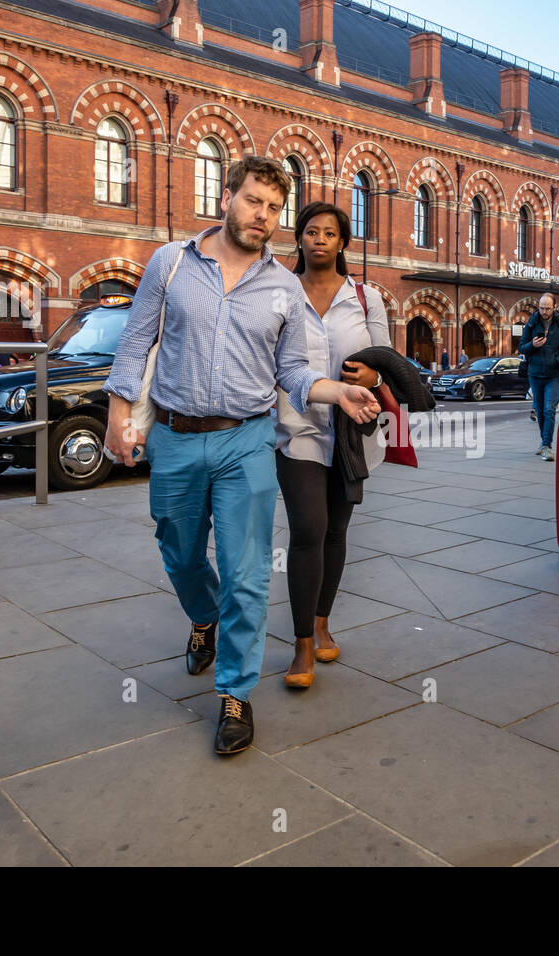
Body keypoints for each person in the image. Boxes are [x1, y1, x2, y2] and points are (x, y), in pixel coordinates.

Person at [103, 156, 380, 757]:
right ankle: (203, 618)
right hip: (175, 436)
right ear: (226, 196)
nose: (263, 216)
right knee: (177, 548)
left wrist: (338, 390)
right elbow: (135, 342)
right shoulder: (171, 263)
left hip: (248, 438)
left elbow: (291, 371)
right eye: (254, 201)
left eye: (274, 208)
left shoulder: (282, 283)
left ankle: (235, 692)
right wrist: (117, 417)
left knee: (248, 570)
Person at [275, 202, 390, 691]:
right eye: (311, 231)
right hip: (295, 427)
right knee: (308, 528)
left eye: (330, 233)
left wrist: (372, 373)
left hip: (351, 431)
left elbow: (386, 359)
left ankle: (323, 620)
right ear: (298, 239)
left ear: (343, 242)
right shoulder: (278, 292)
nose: (320, 239)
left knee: (337, 530)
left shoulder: (365, 298)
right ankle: (302, 643)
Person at [520, 293, 559, 460]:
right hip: (535, 373)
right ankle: (543, 441)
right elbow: (522, 347)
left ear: (554, 307)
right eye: (541, 308)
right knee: (539, 410)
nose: (544, 311)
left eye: (547, 308)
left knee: (549, 409)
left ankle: (547, 446)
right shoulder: (531, 323)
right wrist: (532, 345)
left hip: (554, 374)